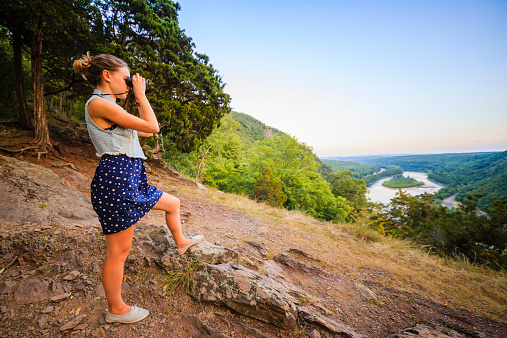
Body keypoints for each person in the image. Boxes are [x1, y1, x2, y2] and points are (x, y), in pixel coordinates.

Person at [73, 53, 203, 324]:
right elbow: (153, 127)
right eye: (125, 78)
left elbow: (144, 130)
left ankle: (181, 242)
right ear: (106, 75)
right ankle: (116, 309)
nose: (129, 84)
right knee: (119, 251)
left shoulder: (113, 108)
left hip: (130, 177)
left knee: (173, 203)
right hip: (116, 180)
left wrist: (138, 99)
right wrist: (141, 95)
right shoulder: (99, 103)